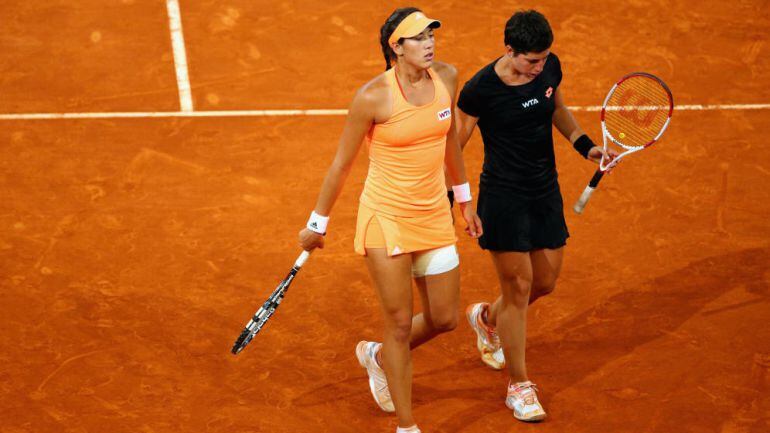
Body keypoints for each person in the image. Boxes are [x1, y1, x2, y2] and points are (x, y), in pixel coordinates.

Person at [298, 7, 482, 433]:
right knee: (399, 324)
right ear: (395, 47)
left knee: (445, 318)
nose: (429, 43)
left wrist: (464, 200)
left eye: (431, 35)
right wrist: (317, 224)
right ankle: (406, 425)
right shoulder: (373, 97)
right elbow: (341, 165)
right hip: (386, 218)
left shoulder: (447, 78)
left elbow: (450, 142)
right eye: (417, 38)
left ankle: (377, 356)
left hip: (434, 213)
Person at [455, 10, 617, 422]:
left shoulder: (549, 68)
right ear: (509, 50)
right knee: (519, 288)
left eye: (544, 59)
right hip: (503, 197)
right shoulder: (480, 90)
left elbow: (557, 108)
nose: (539, 67)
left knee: (544, 282)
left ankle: (487, 319)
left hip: (544, 191)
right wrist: (461, 199)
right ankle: (519, 386)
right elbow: (453, 145)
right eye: (531, 61)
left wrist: (586, 146)